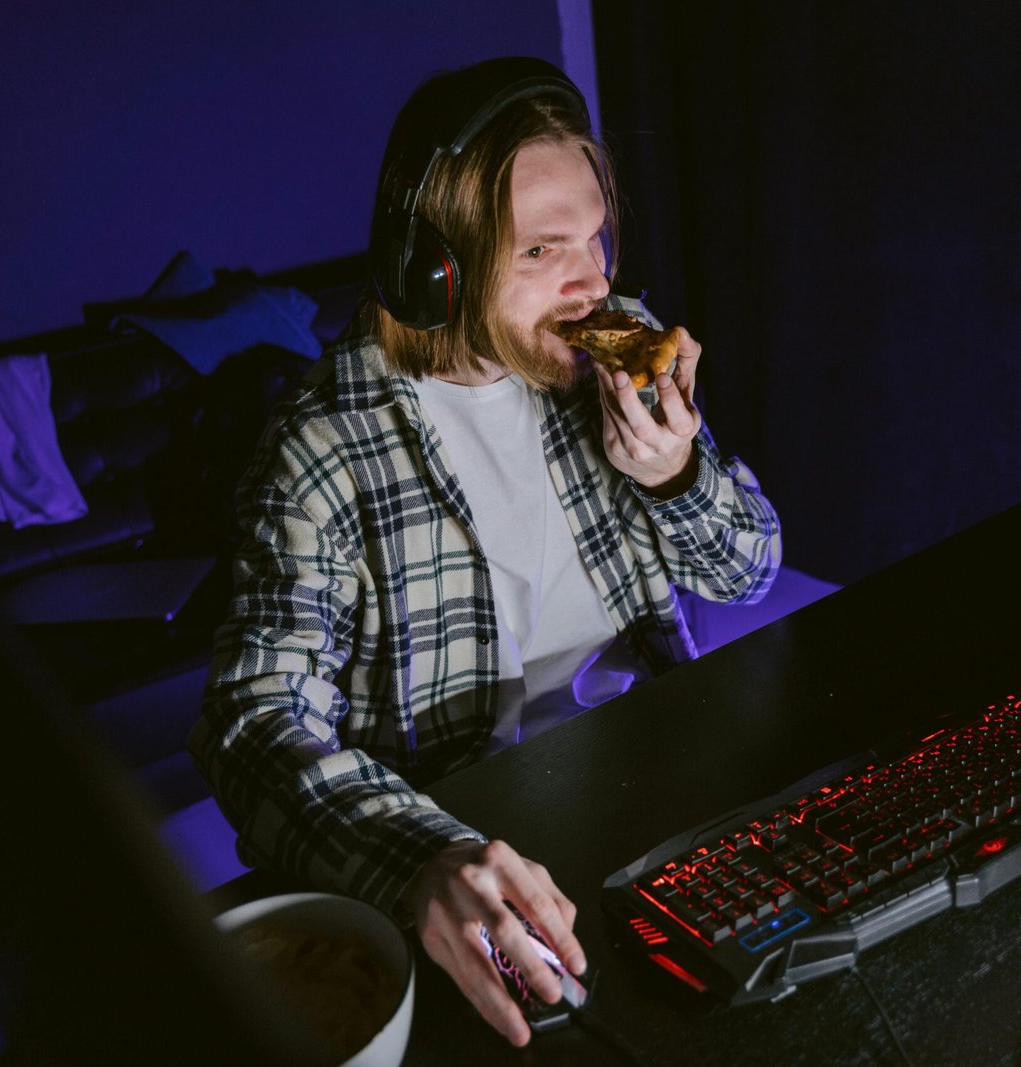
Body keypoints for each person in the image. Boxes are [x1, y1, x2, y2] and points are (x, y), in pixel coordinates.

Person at [190, 56, 782, 1047]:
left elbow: (746, 571)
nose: (594, 282)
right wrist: (421, 861)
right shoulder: (323, 452)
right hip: (469, 852)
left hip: (656, 804)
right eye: (543, 250)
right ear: (437, 269)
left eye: (595, 237)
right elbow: (253, 720)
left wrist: (677, 475)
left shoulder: (615, 347)